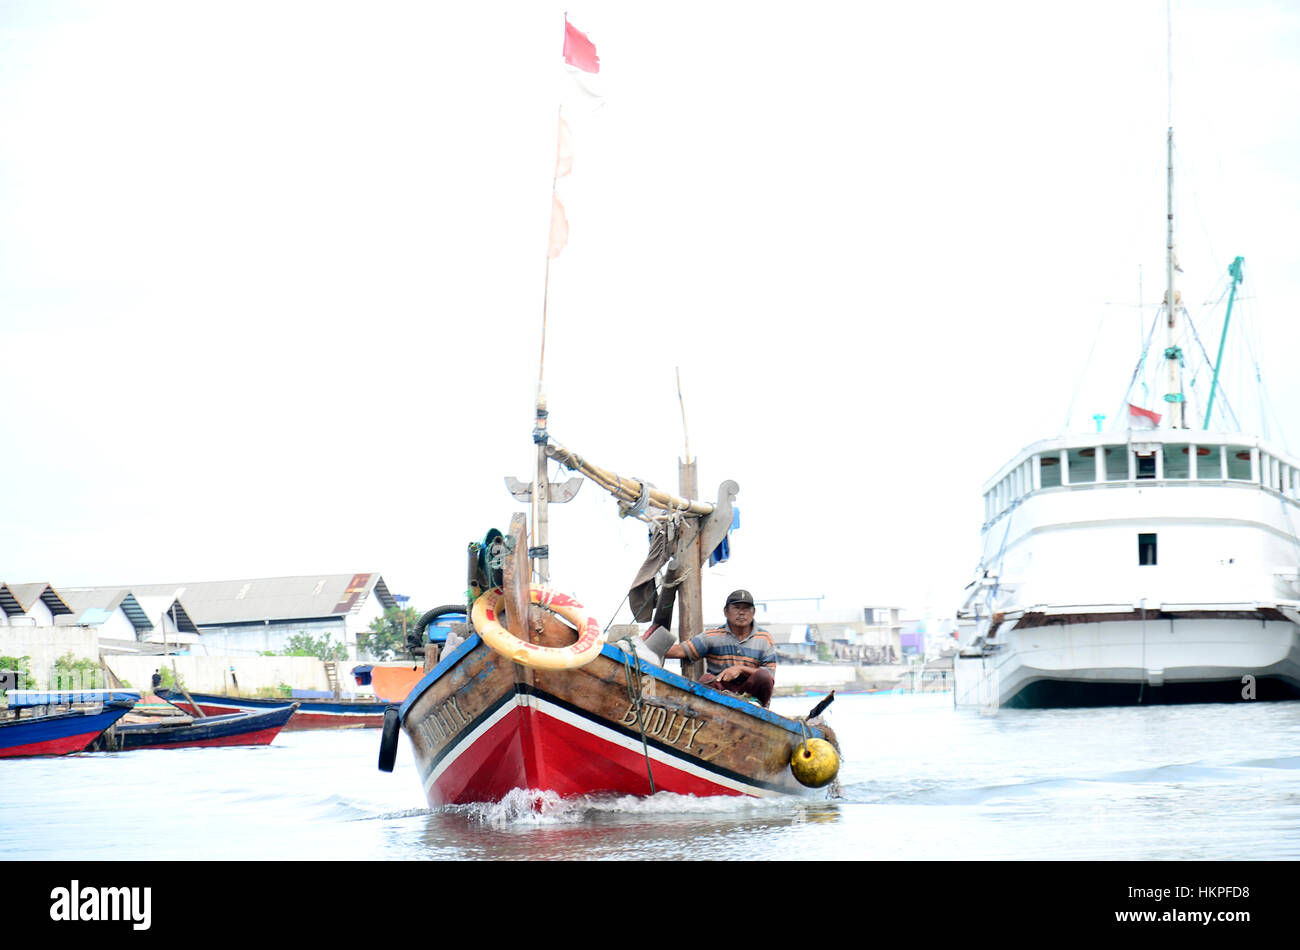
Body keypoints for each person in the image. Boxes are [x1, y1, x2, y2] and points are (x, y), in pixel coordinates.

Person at [665, 589, 775, 707]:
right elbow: (681, 650)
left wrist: (740, 669)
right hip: (722, 691)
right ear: (726, 612)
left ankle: (755, 707)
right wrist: (648, 649)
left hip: (751, 693)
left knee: (763, 677)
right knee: (706, 679)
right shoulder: (713, 636)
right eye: (737, 608)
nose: (742, 613)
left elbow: (769, 675)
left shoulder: (764, 639)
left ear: (753, 612)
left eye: (746, 608)